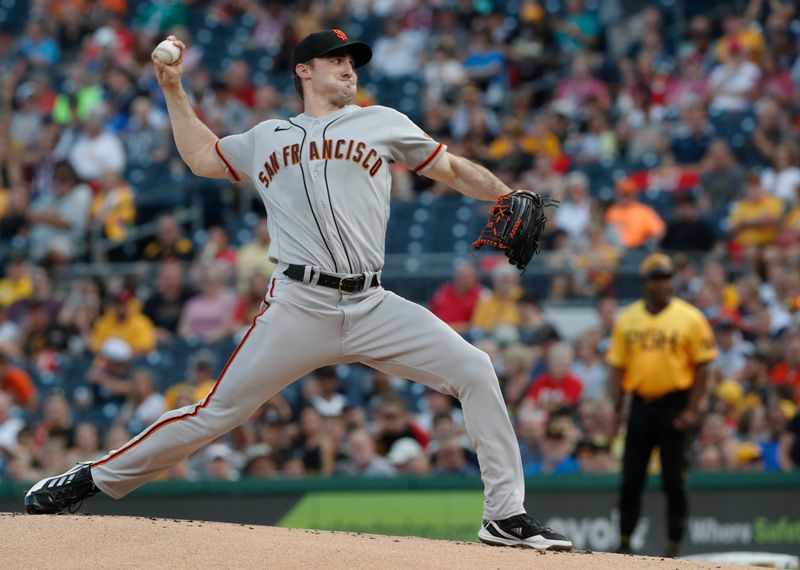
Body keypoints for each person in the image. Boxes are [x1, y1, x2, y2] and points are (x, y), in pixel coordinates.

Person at [24, 30, 572, 551]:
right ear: (304, 71)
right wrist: (173, 88)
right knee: (215, 413)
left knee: (475, 368)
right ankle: (91, 477)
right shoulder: (267, 137)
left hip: (371, 302)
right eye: (338, 61)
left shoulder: (380, 121)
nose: (349, 69)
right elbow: (200, 156)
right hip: (298, 305)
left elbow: (451, 168)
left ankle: (504, 516)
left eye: (352, 62)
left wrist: (506, 194)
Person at [607, 253, 718, 558]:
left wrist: (693, 409)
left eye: (666, 278)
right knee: (631, 479)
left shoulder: (690, 317)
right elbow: (617, 367)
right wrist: (616, 410)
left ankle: (673, 546)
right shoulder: (627, 318)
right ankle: (625, 543)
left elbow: (703, 367)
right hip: (640, 405)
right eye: (656, 279)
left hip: (675, 404)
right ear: (645, 283)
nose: (662, 284)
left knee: (674, 481)